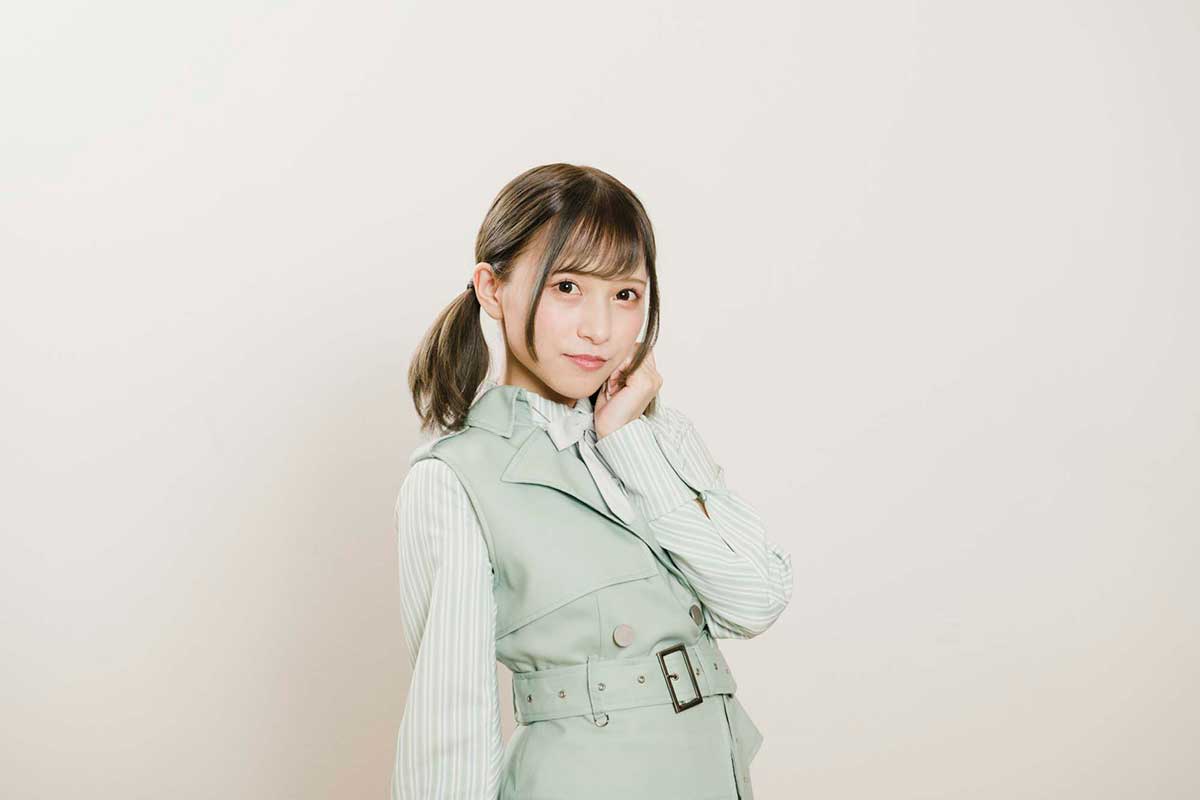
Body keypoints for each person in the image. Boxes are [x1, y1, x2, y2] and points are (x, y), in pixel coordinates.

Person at [391, 162, 793, 799]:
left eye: (625, 295)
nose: (599, 329)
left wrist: (628, 440)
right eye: (567, 287)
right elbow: (451, 724)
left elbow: (755, 600)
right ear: (492, 289)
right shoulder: (456, 477)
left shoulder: (654, 435)